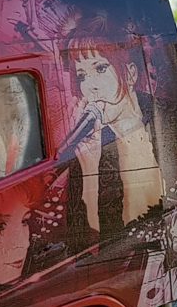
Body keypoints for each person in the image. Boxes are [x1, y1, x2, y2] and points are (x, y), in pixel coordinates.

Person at [61, 23, 162, 240]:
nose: (90, 87)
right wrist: (89, 168)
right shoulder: (93, 145)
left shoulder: (165, 121)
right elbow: (89, 246)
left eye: (100, 68)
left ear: (130, 73)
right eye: (81, 76)